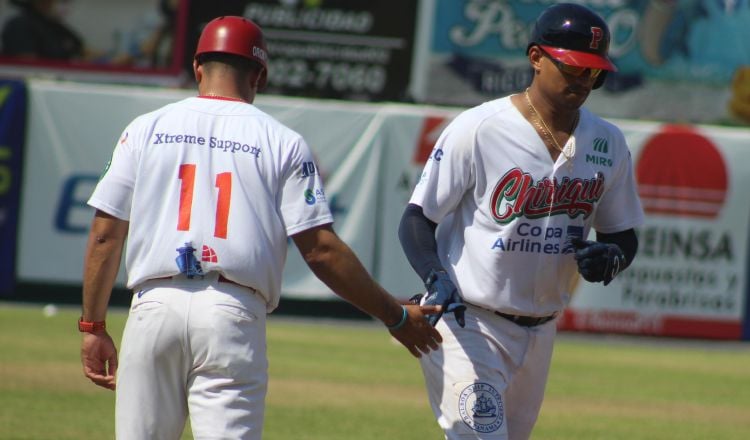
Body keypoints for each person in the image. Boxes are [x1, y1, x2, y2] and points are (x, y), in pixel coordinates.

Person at [79, 16, 442, 440]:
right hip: (231, 311)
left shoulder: (144, 129)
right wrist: (394, 315)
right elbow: (321, 251)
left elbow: (105, 234)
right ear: (261, 75)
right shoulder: (282, 141)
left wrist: (93, 327)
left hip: (153, 306)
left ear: (198, 67)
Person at [398, 3, 644, 439]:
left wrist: (614, 257)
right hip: (469, 321)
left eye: (594, 71)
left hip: (542, 329)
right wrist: (434, 274)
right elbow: (417, 218)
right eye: (573, 67)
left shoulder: (607, 141)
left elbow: (622, 233)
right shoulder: (480, 128)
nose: (584, 80)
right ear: (535, 57)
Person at [1, 0, 84, 60]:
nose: (66, 6)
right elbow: (25, 64)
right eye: (63, 1)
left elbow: (81, 48)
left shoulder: (53, 25)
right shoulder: (20, 25)